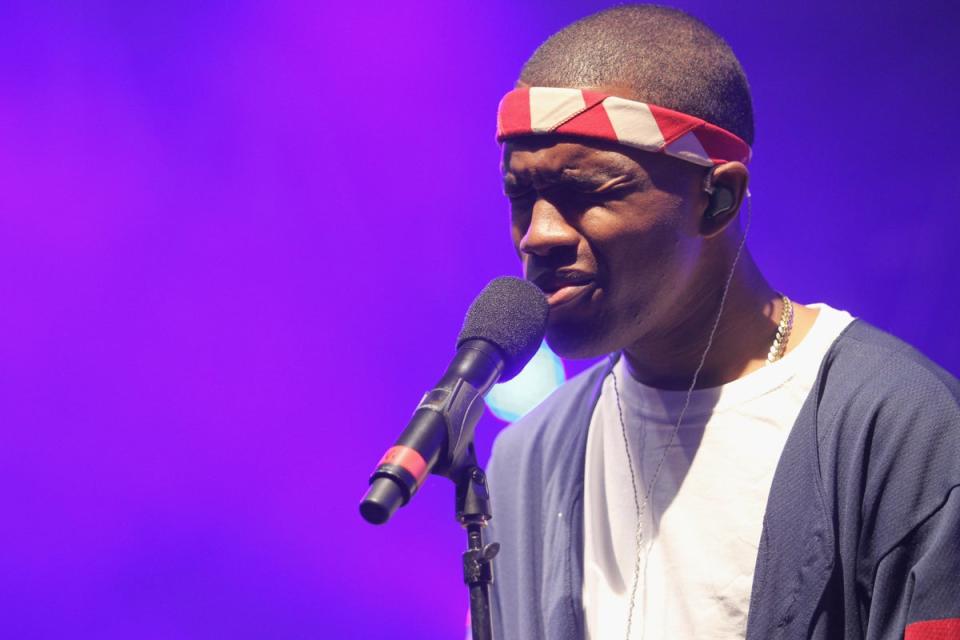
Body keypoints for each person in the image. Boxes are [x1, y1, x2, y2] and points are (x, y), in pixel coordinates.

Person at [484, 5, 960, 640]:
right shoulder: (524, 459)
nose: (538, 235)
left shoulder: (901, 426)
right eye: (522, 197)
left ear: (718, 198)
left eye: (588, 192)